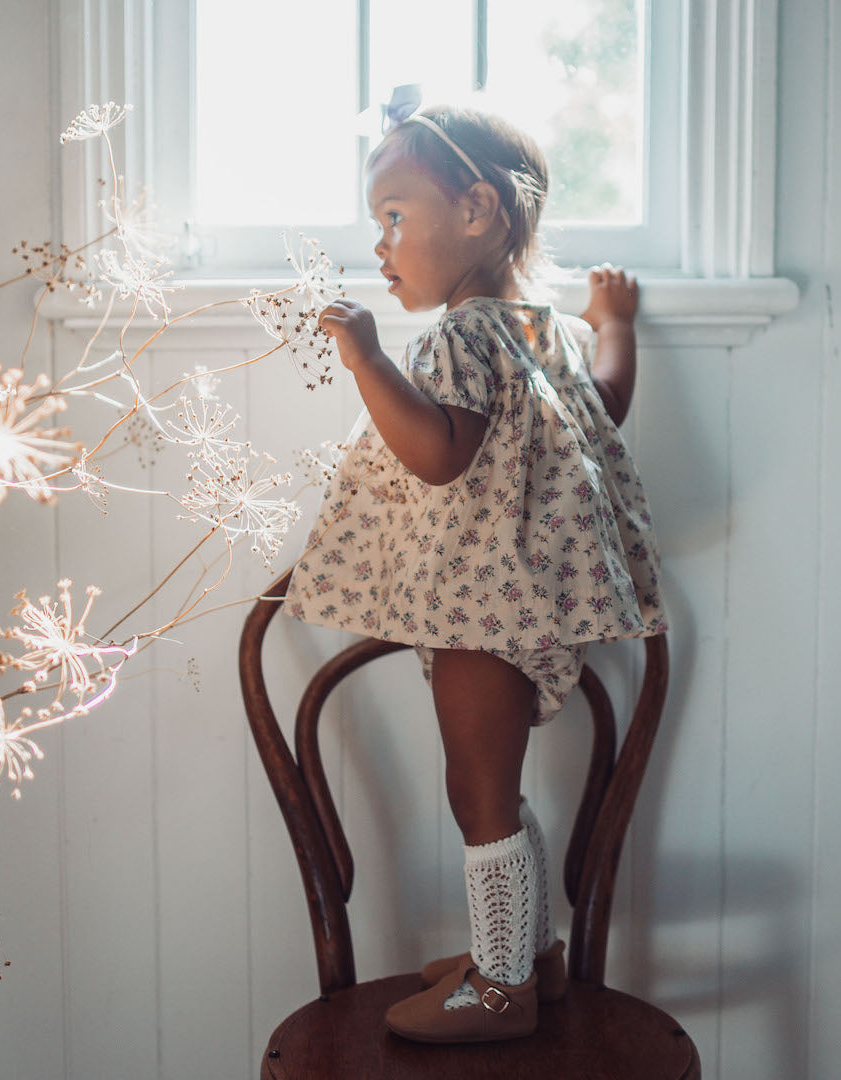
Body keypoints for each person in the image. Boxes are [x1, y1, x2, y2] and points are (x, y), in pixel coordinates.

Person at [283, 104, 667, 1044]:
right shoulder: (546, 333)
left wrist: (367, 357)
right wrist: (614, 323)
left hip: (480, 610)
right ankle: (529, 957)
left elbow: (440, 453)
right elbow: (609, 404)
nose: (381, 244)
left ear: (479, 211)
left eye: (395, 216)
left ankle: (501, 986)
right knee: (495, 782)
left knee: (479, 793)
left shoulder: (459, 338)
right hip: (526, 600)